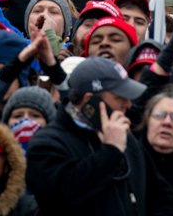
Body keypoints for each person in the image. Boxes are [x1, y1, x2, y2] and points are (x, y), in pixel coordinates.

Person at [25, 57, 156, 216]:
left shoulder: (125, 137)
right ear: (89, 101)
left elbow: (157, 192)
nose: (128, 104)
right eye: (119, 97)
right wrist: (111, 152)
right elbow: (63, 196)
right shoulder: (46, 144)